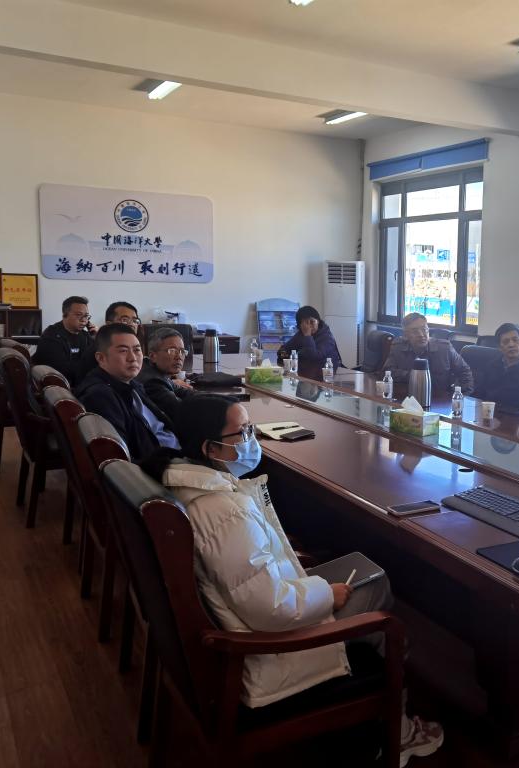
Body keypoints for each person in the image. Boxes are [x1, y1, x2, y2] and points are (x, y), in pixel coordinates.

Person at [141, 396, 444, 764]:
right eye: (243, 433)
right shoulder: (223, 510)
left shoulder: (190, 483)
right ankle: (396, 731)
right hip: (267, 652)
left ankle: (365, 721)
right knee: (382, 606)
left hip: (257, 612)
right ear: (210, 448)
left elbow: (251, 581)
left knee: (363, 574)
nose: (252, 440)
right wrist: (327, 595)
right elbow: (271, 609)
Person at [75, 323, 179, 462]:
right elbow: (120, 459)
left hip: (174, 451)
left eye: (137, 350)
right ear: (101, 358)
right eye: (123, 351)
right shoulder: (100, 396)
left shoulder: (131, 384)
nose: (133, 358)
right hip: (162, 464)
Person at [381, 313, 473, 394]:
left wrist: (460, 397)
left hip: (440, 401)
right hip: (409, 398)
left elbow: (465, 372)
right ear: (406, 334)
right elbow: (387, 372)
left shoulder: (444, 349)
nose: (421, 335)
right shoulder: (398, 347)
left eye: (424, 329)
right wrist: (411, 376)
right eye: (415, 331)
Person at [472, 322, 519, 411]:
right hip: (490, 415)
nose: (511, 345)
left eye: (515, 340)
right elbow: (478, 395)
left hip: (518, 418)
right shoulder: (491, 366)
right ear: (500, 347)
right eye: (506, 342)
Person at [32, 295, 97, 385]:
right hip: (59, 386)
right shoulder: (51, 337)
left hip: (81, 382)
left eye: (86, 316)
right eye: (79, 315)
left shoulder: (86, 336)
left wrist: (97, 340)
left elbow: (97, 360)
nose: (83, 320)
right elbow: (62, 370)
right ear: (64, 315)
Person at [136, 327, 194, 421]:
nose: (179, 356)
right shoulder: (153, 382)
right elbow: (182, 410)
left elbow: (184, 392)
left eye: (182, 351)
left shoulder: (155, 370)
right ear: (153, 356)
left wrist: (214, 397)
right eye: (172, 351)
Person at [276, 306, 343, 377]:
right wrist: (286, 357)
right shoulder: (300, 335)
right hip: (305, 376)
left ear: (318, 321)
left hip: (324, 377)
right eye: (306, 323)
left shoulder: (327, 337)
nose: (309, 326)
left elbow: (313, 357)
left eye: (312, 322)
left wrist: (307, 336)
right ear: (300, 325)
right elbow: (283, 350)